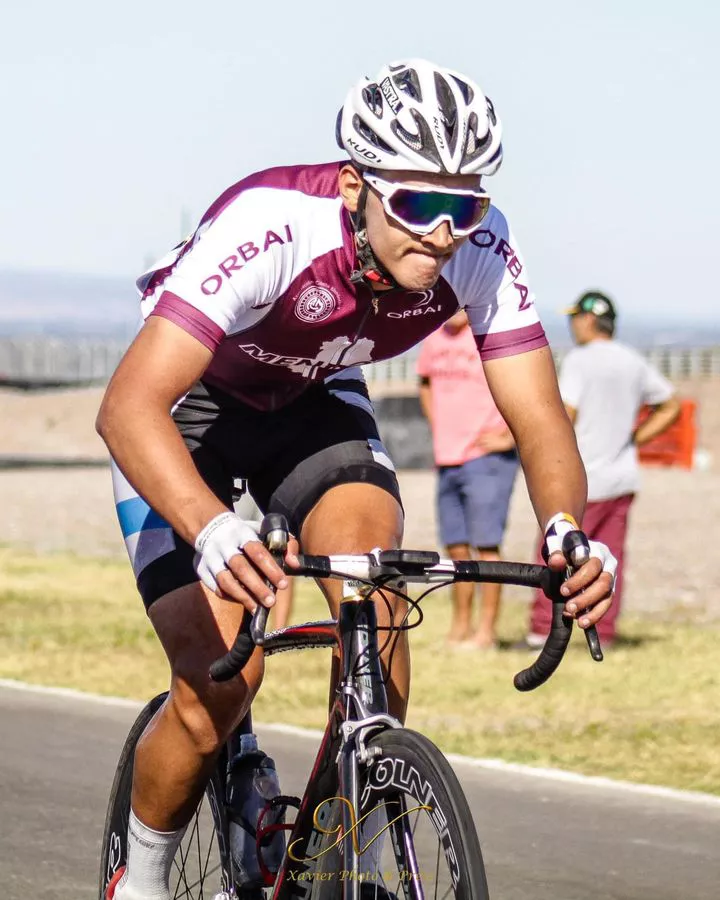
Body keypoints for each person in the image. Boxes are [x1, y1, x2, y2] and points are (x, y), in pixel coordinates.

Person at [97, 59, 617, 900]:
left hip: (314, 400)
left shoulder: (482, 247)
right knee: (218, 685)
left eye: (464, 206)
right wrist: (213, 528)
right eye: (417, 204)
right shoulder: (273, 224)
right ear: (354, 187)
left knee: (377, 607)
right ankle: (141, 881)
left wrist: (565, 530)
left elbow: (539, 416)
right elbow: (127, 407)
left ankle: (344, 851)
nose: (443, 233)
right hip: (189, 408)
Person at [521, 290, 680, 649]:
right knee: (610, 556)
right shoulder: (632, 360)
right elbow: (670, 405)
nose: (572, 325)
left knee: (555, 552)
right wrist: (635, 437)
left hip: (583, 476)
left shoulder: (580, 360)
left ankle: (541, 630)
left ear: (588, 320)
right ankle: (604, 631)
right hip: (621, 476)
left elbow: (565, 414)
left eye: (574, 318)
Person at [417, 308, 519, 649]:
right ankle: (460, 627)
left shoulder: (490, 334)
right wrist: (439, 427)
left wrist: (509, 436)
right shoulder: (432, 337)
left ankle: (486, 632)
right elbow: (425, 383)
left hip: (486, 457)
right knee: (456, 548)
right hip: (447, 457)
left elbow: (522, 385)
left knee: (486, 546)